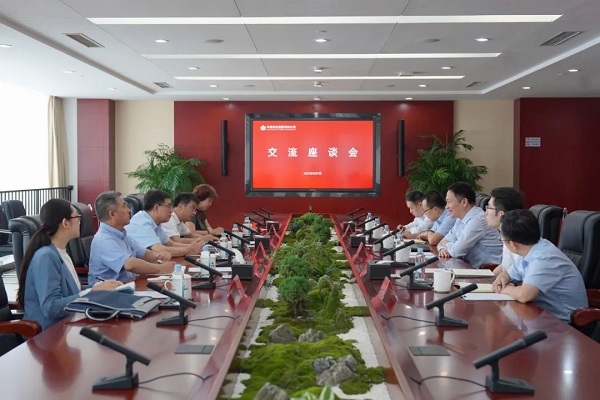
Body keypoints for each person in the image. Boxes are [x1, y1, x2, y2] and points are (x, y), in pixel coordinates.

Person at [17, 199, 121, 330]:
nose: (80, 221)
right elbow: (51, 308)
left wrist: (100, 287)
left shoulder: (61, 251)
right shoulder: (46, 257)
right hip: (48, 333)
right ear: (65, 223)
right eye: (77, 217)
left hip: (68, 325)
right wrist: (92, 292)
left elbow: (73, 292)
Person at [493, 209, 587, 323]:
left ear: (513, 244)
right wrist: (503, 277)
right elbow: (509, 273)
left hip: (565, 324)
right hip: (542, 316)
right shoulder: (531, 248)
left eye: (502, 239)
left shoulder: (544, 257)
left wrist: (506, 289)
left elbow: (525, 295)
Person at [88, 191, 177, 285]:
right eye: (124, 206)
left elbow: (143, 253)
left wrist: (159, 256)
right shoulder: (104, 240)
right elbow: (130, 265)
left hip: (129, 284)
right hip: (110, 291)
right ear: (112, 214)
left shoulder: (121, 233)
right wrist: (160, 269)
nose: (129, 210)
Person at [437, 182, 502, 268]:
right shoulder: (460, 218)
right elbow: (441, 242)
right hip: (472, 268)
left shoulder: (478, 219)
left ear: (464, 202)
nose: (446, 207)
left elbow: (457, 251)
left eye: (449, 202)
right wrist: (443, 249)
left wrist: (448, 245)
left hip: (489, 270)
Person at [125, 189, 204, 257]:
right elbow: (160, 250)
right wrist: (189, 249)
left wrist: (192, 246)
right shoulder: (142, 223)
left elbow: (170, 244)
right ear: (156, 207)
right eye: (168, 206)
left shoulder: (155, 222)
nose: (172, 211)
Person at [485, 187, 524, 276]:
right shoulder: (506, 233)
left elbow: (521, 274)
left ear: (501, 214)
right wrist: (489, 278)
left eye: (489, 207)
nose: (485, 212)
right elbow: (505, 265)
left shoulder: (517, 239)